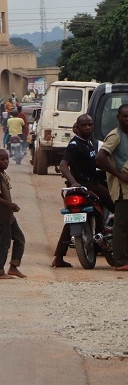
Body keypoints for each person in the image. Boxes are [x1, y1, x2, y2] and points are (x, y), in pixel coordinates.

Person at [54, 115, 113, 268]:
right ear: (78, 127)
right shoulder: (75, 145)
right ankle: (114, 243)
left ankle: (59, 257)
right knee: (118, 207)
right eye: (84, 125)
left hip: (87, 184)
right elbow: (63, 165)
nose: (88, 127)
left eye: (90, 125)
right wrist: (74, 183)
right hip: (87, 186)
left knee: (71, 221)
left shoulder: (88, 143)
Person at [96, 104, 128, 271]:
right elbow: (100, 157)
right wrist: (117, 174)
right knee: (121, 225)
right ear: (118, 118)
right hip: (123, 188)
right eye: (125, 116)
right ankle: (120, 261)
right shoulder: (115, 136)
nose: (127, 119)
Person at [0, 149, 25, 279]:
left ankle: (13, 267)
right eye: (2, 160)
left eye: (7, 159)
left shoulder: (2, 174)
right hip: (2, 214)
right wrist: (9, 205)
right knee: (4, 242)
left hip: (8, 215)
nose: (6, 162)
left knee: (19, 238)